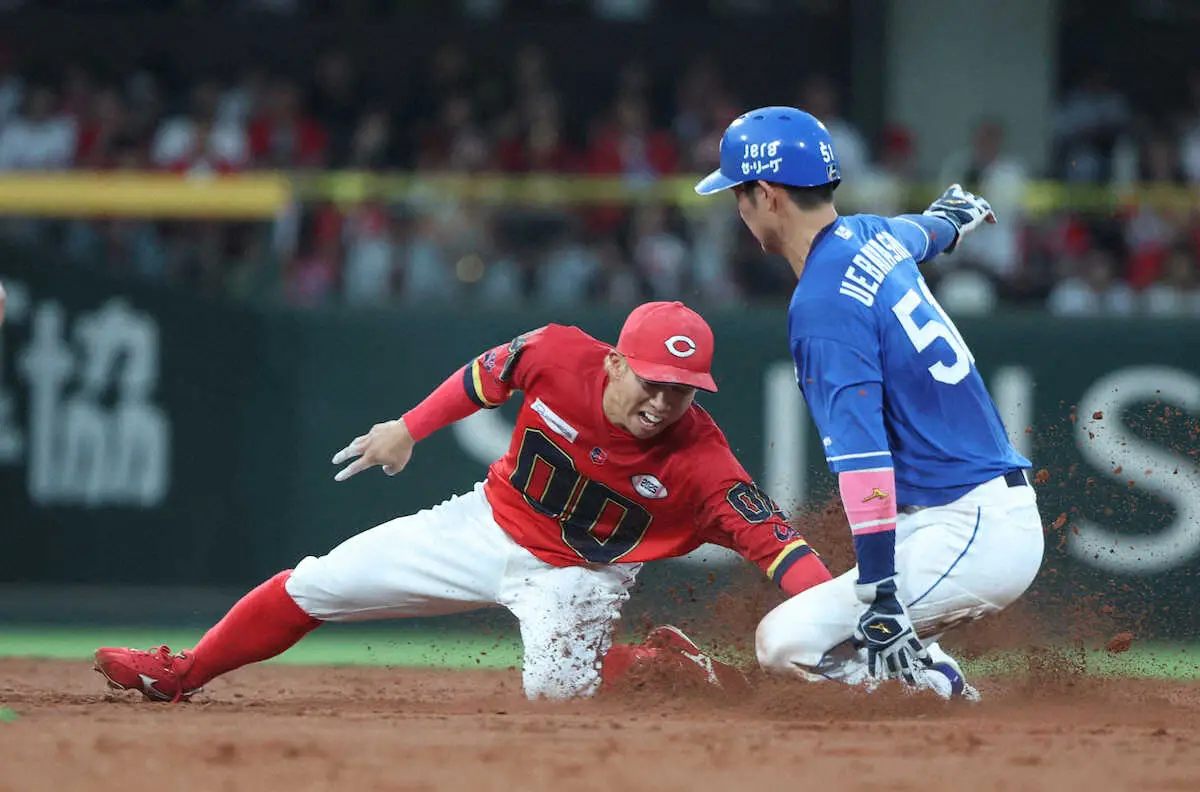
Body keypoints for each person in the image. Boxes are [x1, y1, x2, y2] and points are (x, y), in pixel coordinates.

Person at [94, 301, 832, 702]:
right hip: (483, 523)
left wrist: (837, 613)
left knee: (555, 692)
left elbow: (780, 547)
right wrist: (406, 429)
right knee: (317, 582)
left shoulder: (702, 462)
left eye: (683, 390)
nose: (665, 401)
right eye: (650, 381)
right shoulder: (557, 352)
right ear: (613, 361)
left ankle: (662, 665)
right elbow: (487, 376)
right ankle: (180, 673)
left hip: (579, 577)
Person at [694, 107, 1044, 698]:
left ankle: (935, 689)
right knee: (824, 630)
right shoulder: (869, 234)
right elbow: (920, 232)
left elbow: (865, 461)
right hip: (960, 521)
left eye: (739, 193)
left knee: (784, 644)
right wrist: (952, 221)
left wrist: (879, 592)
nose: (738, 208)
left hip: (969, 531)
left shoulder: (822, 304)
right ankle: (928, 670)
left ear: (770, 194)